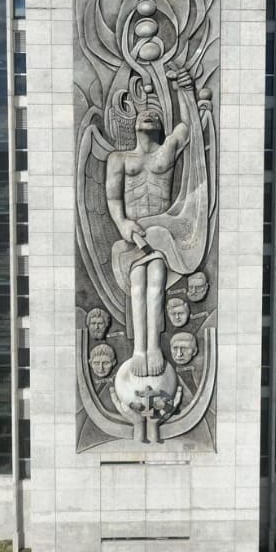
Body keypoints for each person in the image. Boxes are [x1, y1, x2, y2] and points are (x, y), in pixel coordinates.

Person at [106, 70, 195, 377]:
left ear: (160, 126)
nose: (148, 115)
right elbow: (113, 198)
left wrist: (184, 90)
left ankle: (154, 347)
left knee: (155, 283)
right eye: (144, 113)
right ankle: (138, 350)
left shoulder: (166, 151)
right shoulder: (119, 159)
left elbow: (187, 128)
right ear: (133, 123)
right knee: (137, 287)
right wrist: (122, 223)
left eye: (154, 114)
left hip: (161, 231)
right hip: (134, 234)